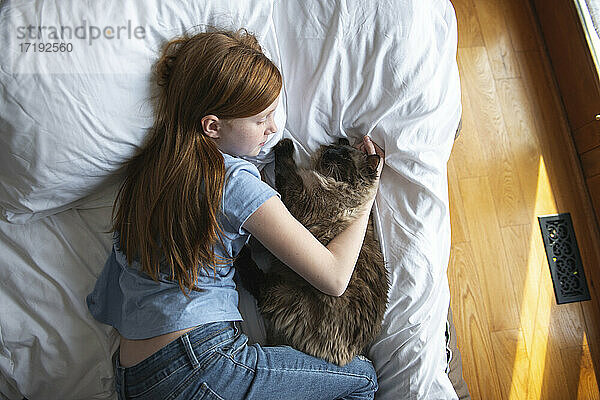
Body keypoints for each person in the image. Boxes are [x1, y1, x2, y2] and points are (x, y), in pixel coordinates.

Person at [86, 28, 385, 400]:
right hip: (199, 363)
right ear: (212, 126)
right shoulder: (233, 181)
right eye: (261, 119)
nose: (273, 128)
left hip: (133, 377)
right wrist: (368, 191)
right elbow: (335, 277)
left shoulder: (145, 175)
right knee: (362, 379)